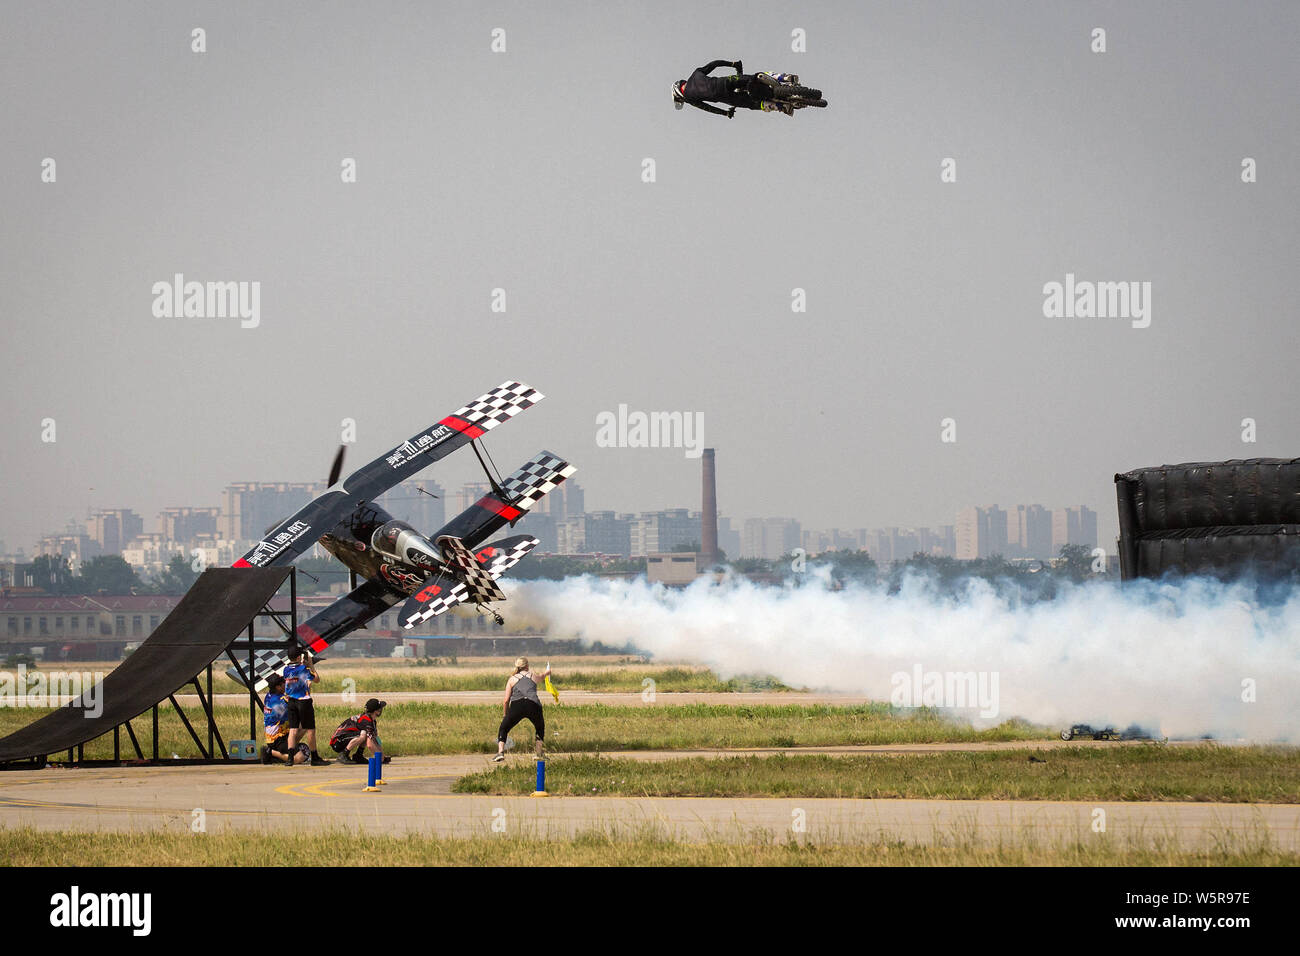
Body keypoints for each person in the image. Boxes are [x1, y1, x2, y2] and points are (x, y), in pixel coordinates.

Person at [672, 59, 796, 117]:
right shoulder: (696, 74)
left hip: (723, 96)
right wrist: (733, 64)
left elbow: (708, 108)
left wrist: (725, 113)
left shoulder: (688, 98)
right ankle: (782, 77)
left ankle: (780, 106)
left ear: (679, 93)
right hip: (724, 82)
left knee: (752, 104)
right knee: (752, 78)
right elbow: (714, 64)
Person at [493, 658, 550, 762]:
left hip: (517, 705)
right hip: (533, 704)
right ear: (527, 666)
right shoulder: (532, 676)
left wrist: (505, 715)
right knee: (539, 727)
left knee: (504, 728)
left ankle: (500, 752)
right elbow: (541, 677)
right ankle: (538, 753)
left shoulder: (512, 679)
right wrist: (547, 673)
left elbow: (506, 700)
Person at [283, 648, 329, 766]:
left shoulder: (286, 669)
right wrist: (311, 665)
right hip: (304, 702)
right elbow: (316, 679)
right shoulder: (304, 669)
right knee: (310, 730)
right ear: (299, 657)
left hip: (291, 701)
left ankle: (290, 759)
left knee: (293, 730)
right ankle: (315, 757)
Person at [262, 674, 309, 765]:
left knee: (305, 723)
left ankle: (286, 750)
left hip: (277, 735)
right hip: (277, 739)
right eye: (283, 683)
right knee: (300, 757)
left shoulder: (269, 695)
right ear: (278, 687)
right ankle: (270, 752)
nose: (286, 684)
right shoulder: (280, 701)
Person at [330, 699, 389, 764]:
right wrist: (380, 758)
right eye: (380, 708)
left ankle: (358, 756)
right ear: (377, 711)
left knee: (367, 735)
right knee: (363, 734)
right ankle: (343, 755)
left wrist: (382, 756)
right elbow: (370, 745)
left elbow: (375, 739)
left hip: (344, 738)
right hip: (337, 741)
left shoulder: (372, 721)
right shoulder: (366, 721)